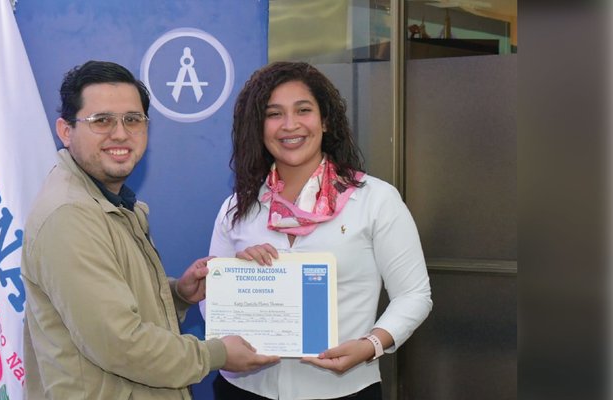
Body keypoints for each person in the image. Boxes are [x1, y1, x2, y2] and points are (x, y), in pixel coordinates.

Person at [21, 60, 278, 400]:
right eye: (101, 121)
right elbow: (119, 344)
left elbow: (113, 307)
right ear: (65, 130)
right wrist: (217, 354)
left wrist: (178, 295)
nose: (120, 133)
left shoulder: (108, 202)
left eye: (133, 119)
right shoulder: (71, 214)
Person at [202, 61, 433, 400]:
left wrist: (371, 345)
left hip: (343, 389)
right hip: (244, 388)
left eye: (303, 110)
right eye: (274, 114)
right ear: (259, 126)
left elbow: (414, 295)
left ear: (325, 120)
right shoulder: (237, 207)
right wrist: (235, 279)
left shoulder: (376, 199)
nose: (290, 125)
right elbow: (211, 299)